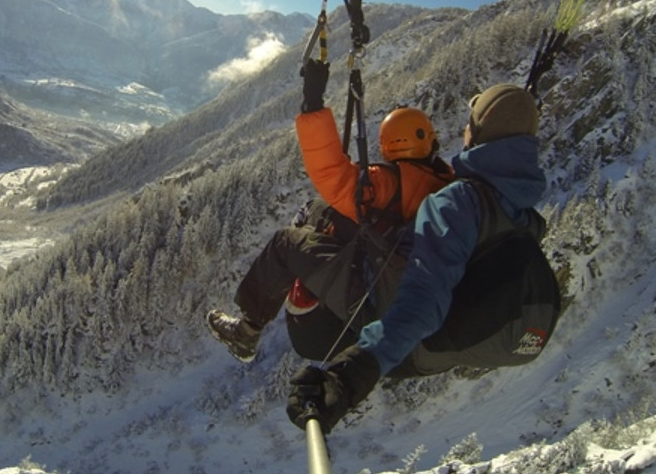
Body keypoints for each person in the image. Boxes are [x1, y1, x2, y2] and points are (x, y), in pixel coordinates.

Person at [285, 83, 548, 434]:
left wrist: (350, 375)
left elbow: (425, 298)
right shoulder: (524, 213)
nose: (463, 130)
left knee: (305, 238)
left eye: (469, 124)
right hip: (456, 347)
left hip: (411, 346)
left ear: (477, 133)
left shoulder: (457, 203)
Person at [206, 58, 454, 363]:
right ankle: (308, 236)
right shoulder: (446, 184)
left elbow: (331, 174)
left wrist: (312, 103)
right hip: (403, 282)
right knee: (321, 209)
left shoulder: (388, 184)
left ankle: (246, 332)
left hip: (372, 293)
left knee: (285, 244)